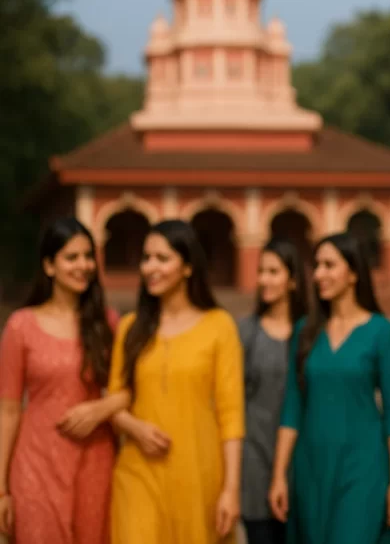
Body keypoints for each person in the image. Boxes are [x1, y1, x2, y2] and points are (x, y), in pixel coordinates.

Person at [108, 219, 245, 544]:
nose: (150, 267)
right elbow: (115, 399)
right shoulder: (130, 327)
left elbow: (231, 414)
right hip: (137, 471)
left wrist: (231, 489)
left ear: (187, 267)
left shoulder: (219, 325)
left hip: (198, 474)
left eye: (162, 258)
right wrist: (136, 428)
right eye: (146, 258)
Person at [269, 232, 390, 543]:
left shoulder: (381, 332)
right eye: (316, 265)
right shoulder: (305, 330)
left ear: (354, 272)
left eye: (329, 265)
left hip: (363, 466)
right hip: (311, 466)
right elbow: (292, 406)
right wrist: (279, 475)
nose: (318, 274)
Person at [0, 217, 124, 544]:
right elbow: (8, 410)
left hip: (95, 461)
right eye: (71, 257)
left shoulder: (107, 322)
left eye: (87, 256)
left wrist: (101, 408)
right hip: (36, 463)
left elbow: (128, 390)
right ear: (49, 265)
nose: (83, 265)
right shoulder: (21, 326)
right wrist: (0, 488)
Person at [238, 238, 309, 544]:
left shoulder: (311, 334)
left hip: (303, 460)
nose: (264, 280)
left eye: (273, 271)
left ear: (293, 280)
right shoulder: (245, 332)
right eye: (261, 271)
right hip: (254, 460)